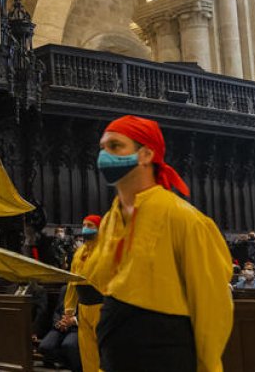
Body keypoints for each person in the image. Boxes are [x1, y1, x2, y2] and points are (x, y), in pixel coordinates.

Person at [87, 115, 233, 372]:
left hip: (163, 351)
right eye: (102, 148)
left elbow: (211, 303)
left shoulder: (183, 218)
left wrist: (209, 366)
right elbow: (102, 282)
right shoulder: (111, 218)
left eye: (115, 147)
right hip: (116, 352)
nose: (104, 157)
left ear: (145, 155)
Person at [65, 214, 103, 372]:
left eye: (90, 225)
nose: (86, 228)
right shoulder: (78, 253)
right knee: (87, 350)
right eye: (84, 224)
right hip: (84, 306)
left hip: (101, 305)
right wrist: (69, 307)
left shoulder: (105, 250)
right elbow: (72, 281)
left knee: (103, 349)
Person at [40, 285, 82, 371]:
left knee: (68, 345)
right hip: (60, 325)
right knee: (44, 346)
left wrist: (73, 320)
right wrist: (58, 323)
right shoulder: (64, 289)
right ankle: (66, 363)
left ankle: (77, 368)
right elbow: (57, 311)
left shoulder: (85, 288)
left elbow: (88, 312)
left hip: (77, 327)